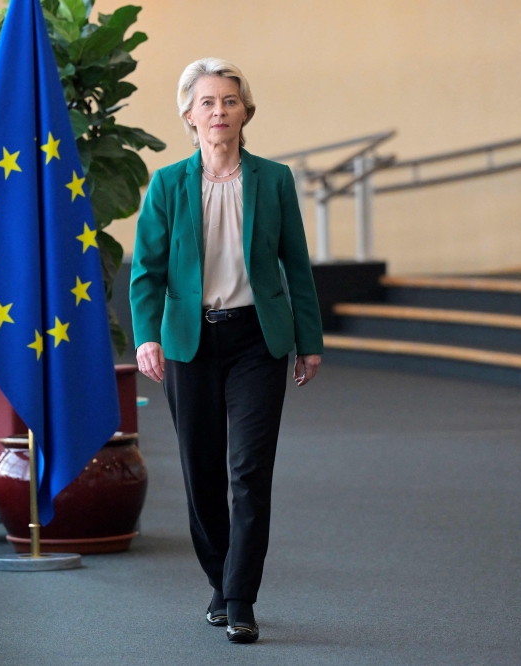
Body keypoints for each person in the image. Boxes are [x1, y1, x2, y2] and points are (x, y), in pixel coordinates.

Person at [129, 58, 323, 644]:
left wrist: (308, 341)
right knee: (202, 472)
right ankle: (220, 580)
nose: (219, 112)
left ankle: (240, 598)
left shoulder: (274, 180)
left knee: (249, 471)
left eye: (230, 102)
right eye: (208, 103)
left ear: (245, 112)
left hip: (257, 340)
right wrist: (147, 335)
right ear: (189, 116)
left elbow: (297, 265)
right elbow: (147, 272)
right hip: (191, 341)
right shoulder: (166, 185)